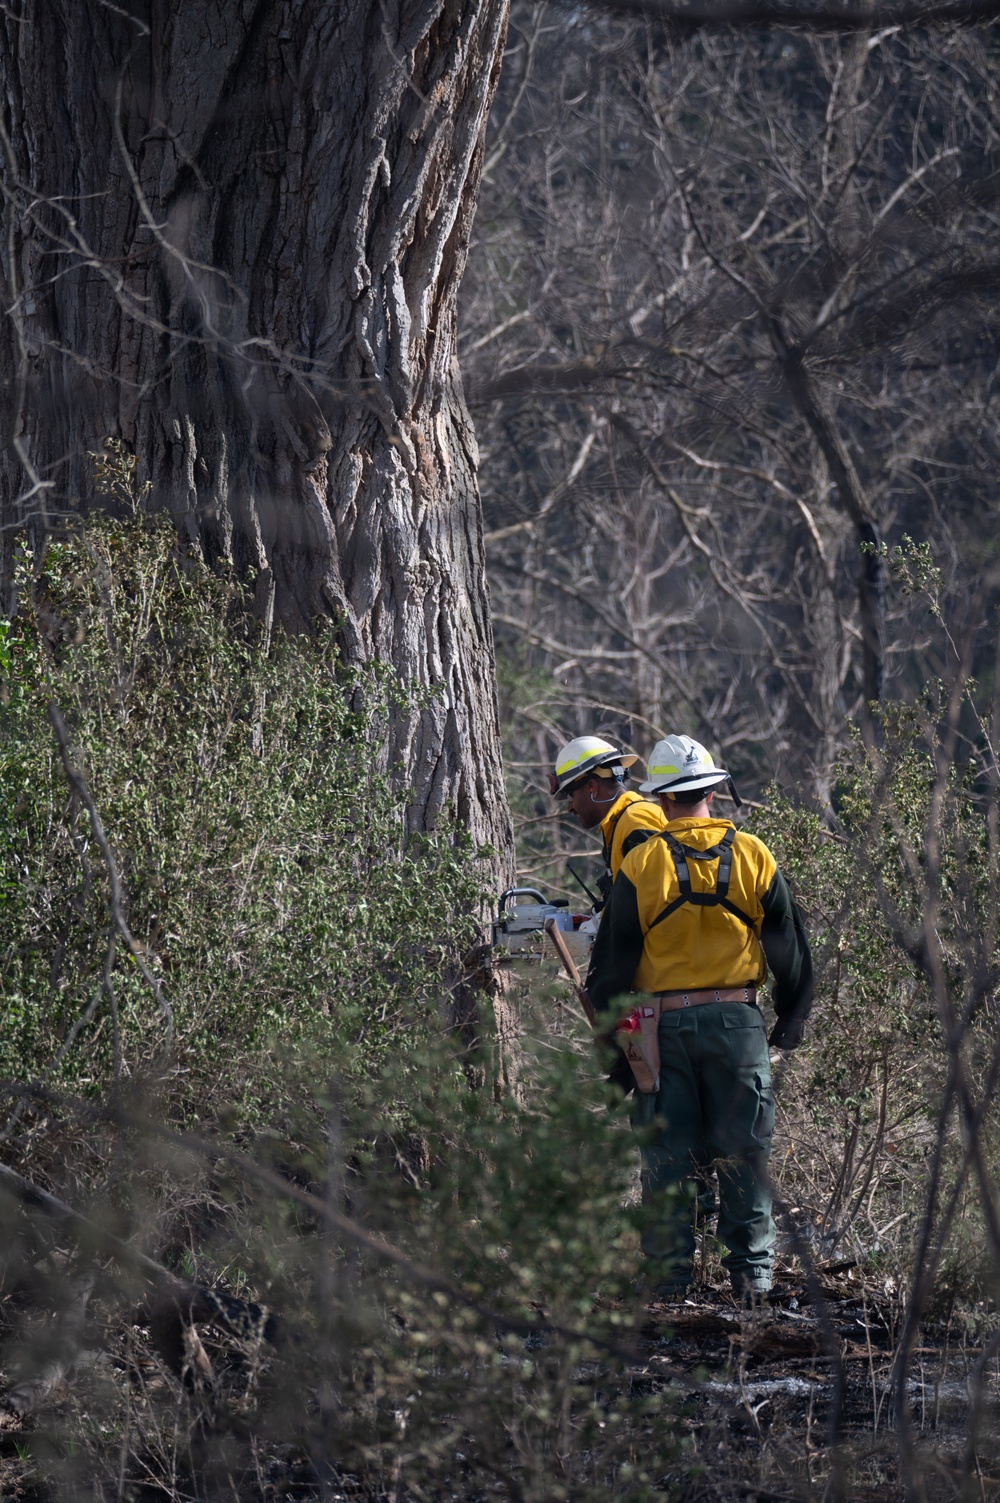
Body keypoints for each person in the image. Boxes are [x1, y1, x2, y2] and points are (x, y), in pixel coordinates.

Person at [586, 734, 813, 1302]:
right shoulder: (755, 854)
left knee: (667, 1155)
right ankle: (752, 1279)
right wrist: (792, 1016)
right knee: (744, 1151)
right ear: (714, 789)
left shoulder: (642, 862)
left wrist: (618, 1053)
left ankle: (668, 1284)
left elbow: (610, 973)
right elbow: (791, 949)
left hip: (660, 1027)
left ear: (660, 800)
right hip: (739, 1023)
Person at [549, 735, 667, 903]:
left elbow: (659, 903)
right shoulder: (620, 823)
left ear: (592, 788)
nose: (570, 807)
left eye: (571, 796)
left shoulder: (636, 823)